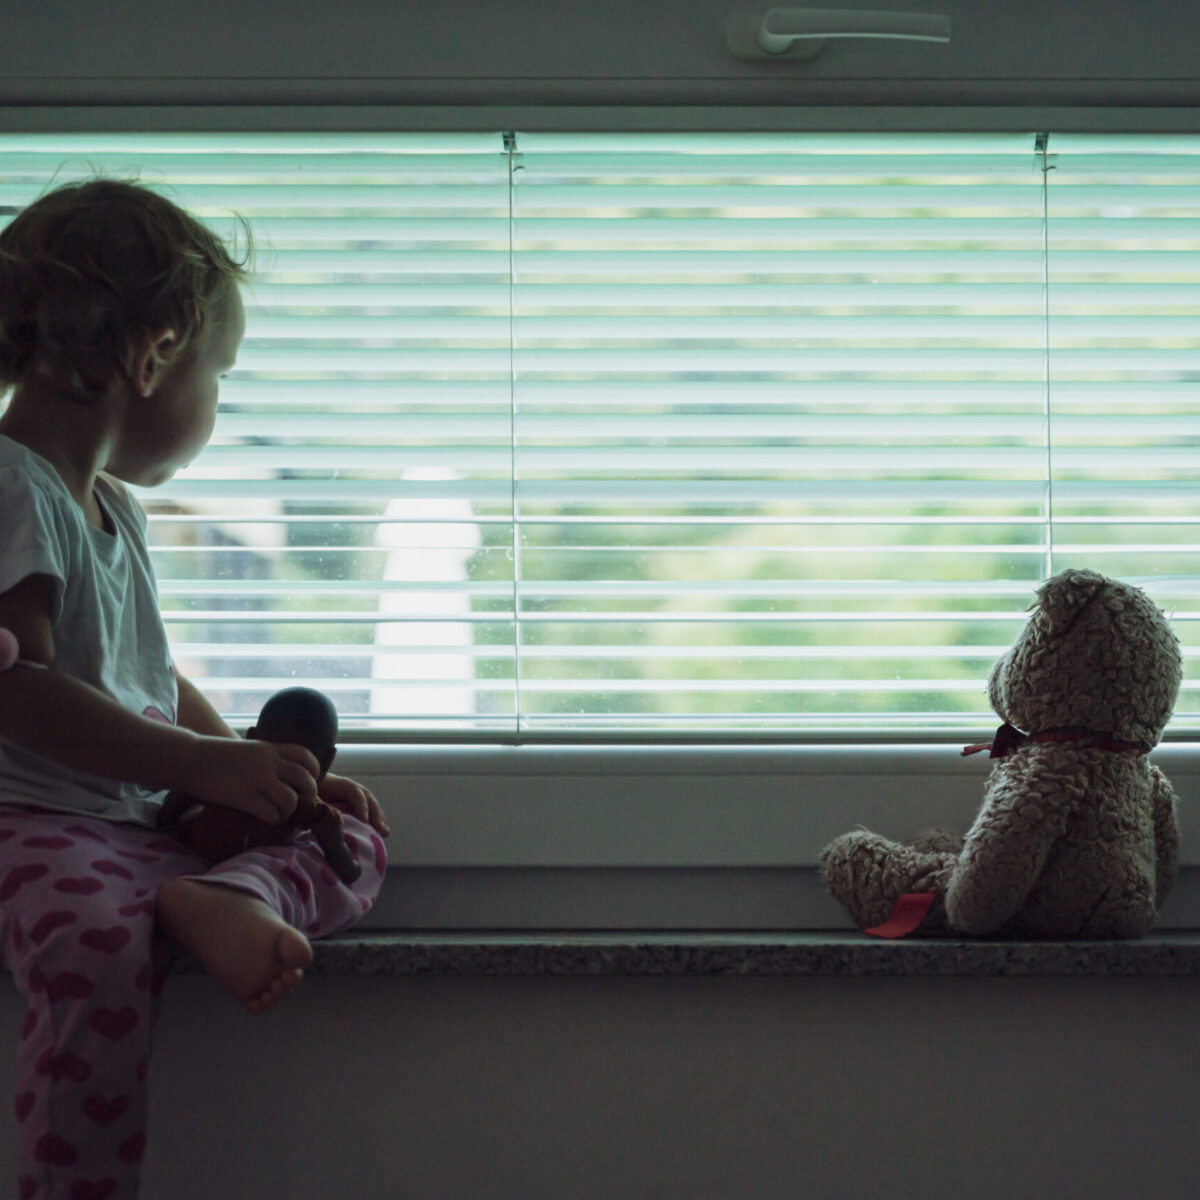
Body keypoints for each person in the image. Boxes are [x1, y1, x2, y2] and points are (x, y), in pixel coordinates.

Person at [0, 177, 391, 1200]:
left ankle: (223, 894)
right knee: (91, 948)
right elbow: (21, 688)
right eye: (219, 375)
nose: (216, 404)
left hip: (130, 816)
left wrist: (244, 775)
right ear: (152, 355)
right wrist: (204, 765)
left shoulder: (111, 508)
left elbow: (143, 673)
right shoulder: (10, 486)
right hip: (32, 818)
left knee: (350, 838)